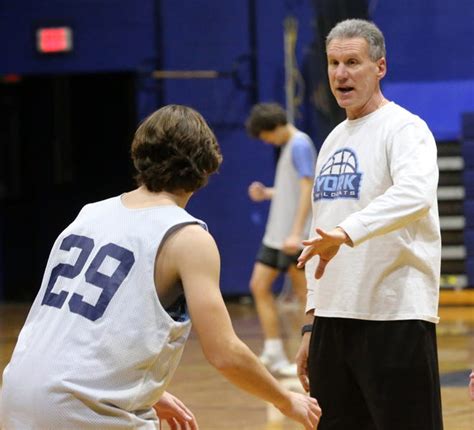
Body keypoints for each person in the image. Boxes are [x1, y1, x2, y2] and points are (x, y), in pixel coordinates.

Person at [1, 105, 321, 429]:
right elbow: (224, 352)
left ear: (139, 155)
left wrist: (144, 390)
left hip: (16, 395)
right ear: (207, 167)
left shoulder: (89, 213)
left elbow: (77, 327)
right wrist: (286, 399)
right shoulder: (187, 236)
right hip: (80, 409)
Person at [295, 19, 443, 430]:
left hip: (394, 317)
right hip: (332, 322)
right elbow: (319, 231)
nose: (340, 74)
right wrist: (312, 321)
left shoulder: (405, 129)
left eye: (353, 62)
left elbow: (414, 195)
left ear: (380, 67)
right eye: (334, 63)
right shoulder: (331, 140)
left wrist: (346, 233)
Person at [245, 103, 316, 377]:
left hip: (291, 235)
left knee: (305, 297)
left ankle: (307, 358)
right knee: (259, 286)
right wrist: (268, 193)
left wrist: (297, 233)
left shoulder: (299, 144)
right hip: (277, 235)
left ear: (273, 128)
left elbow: (308, 188)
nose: (266, 142)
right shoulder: (289, 147)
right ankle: (274, 351)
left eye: (265, 136)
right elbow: (290, 190)